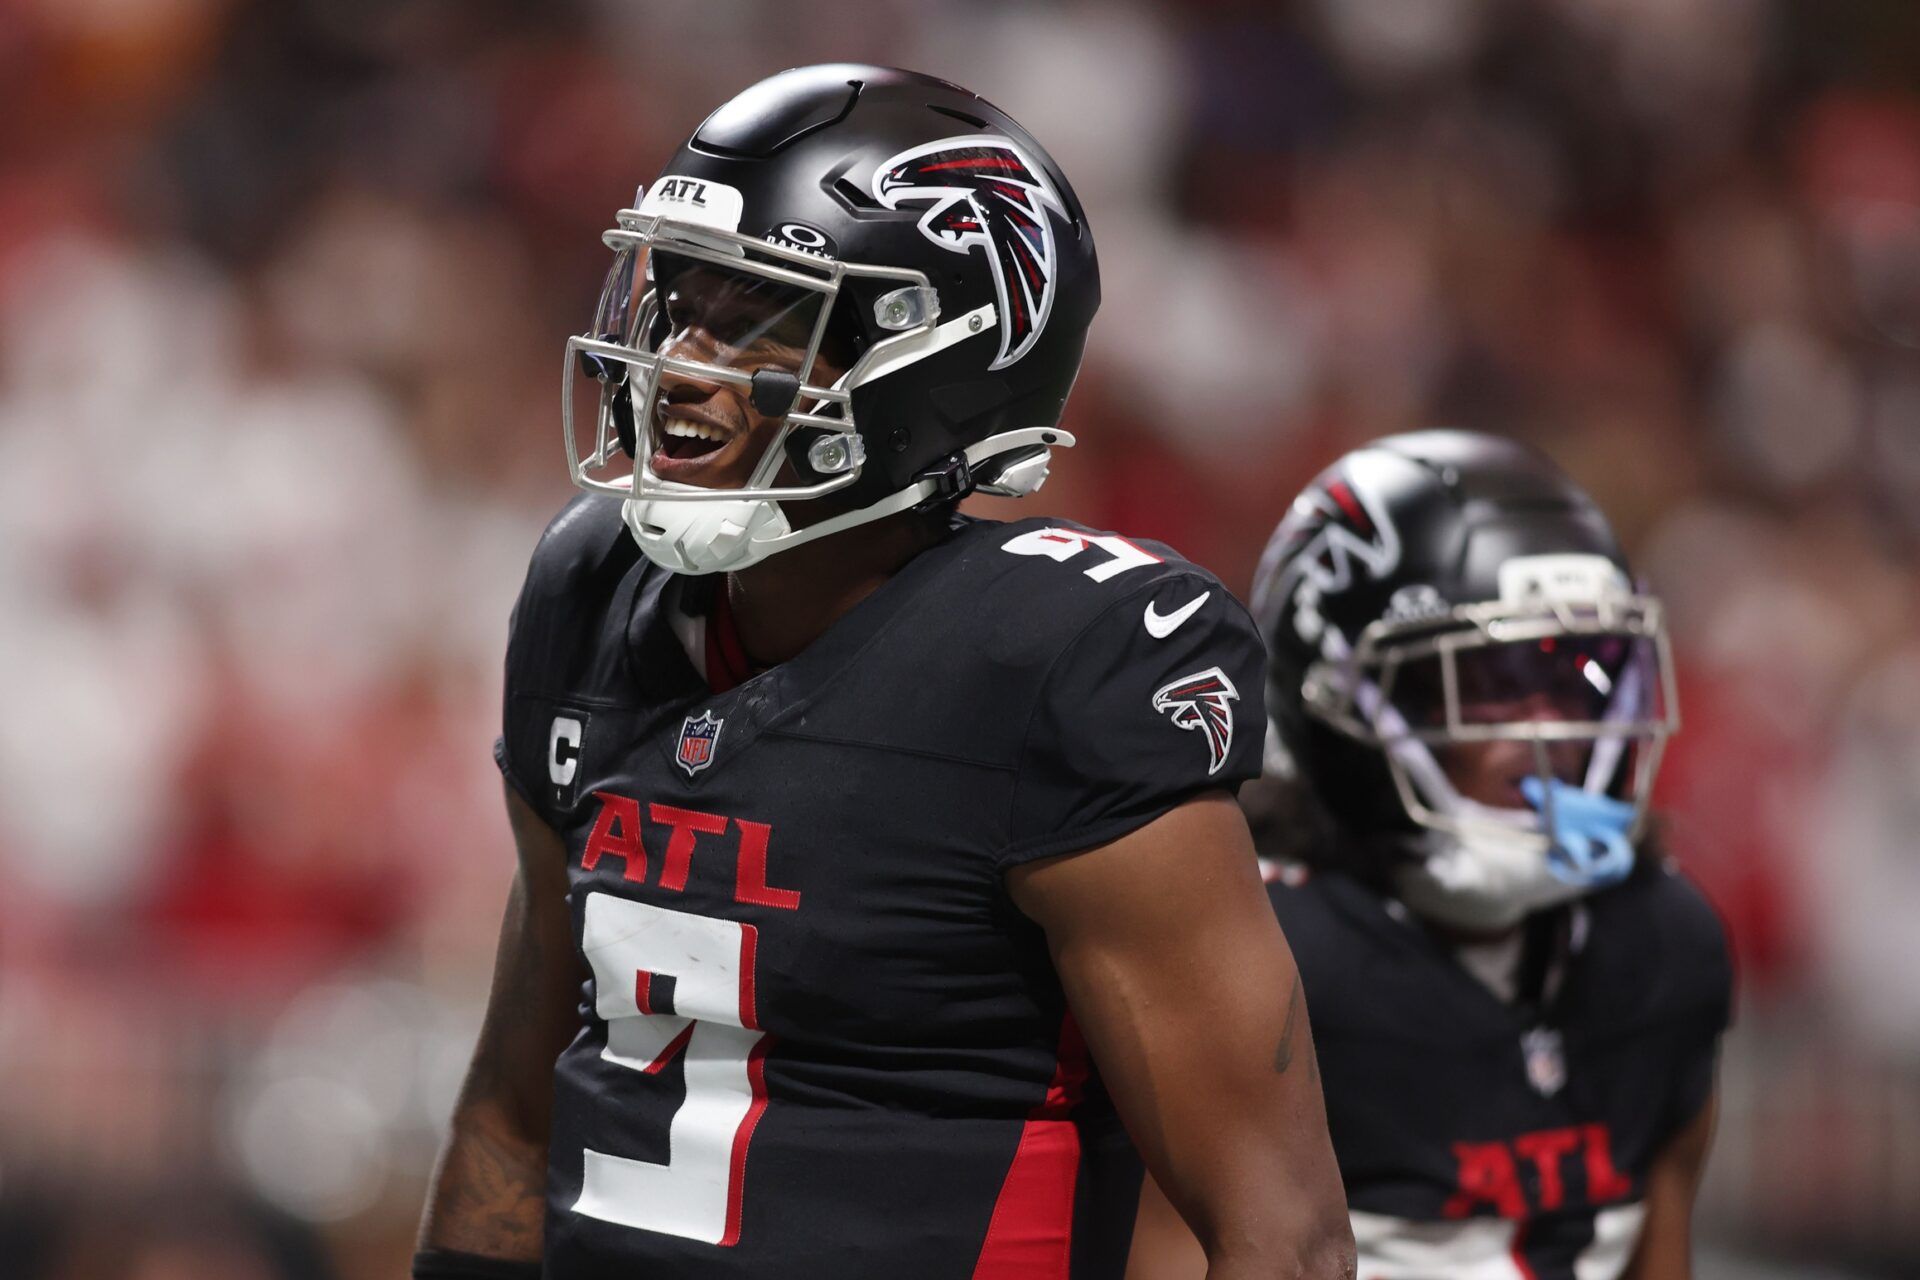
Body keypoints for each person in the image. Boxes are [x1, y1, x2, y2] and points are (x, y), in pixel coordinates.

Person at [415, 64, 1352, 1280]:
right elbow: (514, 1111)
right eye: (678, 299)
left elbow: (1278, 1232)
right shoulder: (595, 585)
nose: (681, 366)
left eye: (759, 317)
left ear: (938, 358)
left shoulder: (1062, 662)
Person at [1128, 431, 1731, 1280]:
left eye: (1574, 673)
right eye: (1483, 683)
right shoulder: (1267, 954)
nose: (1546, 733)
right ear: (1336, 705)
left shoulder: (1664, 942)